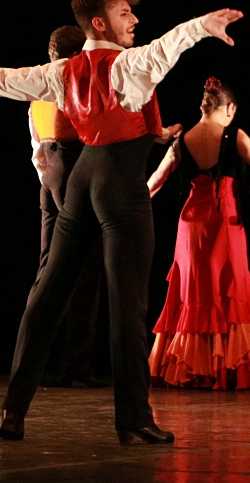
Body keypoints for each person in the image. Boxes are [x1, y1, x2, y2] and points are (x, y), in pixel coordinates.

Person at [0, 0, 243, 445]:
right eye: (125, 13)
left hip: (83, 180)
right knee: (128, 306)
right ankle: (133, 419)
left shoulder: (62, 71)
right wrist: (205, 26)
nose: (135, 21)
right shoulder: (129, 63)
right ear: (101, 22)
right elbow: (169, 45)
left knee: (46, 294)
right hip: (120, 187)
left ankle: (13, 411)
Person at [29, 25, 181, 389]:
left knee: (48, 270)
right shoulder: (76, 81)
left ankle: (43, 364)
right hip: (78, 168)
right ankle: (74, 366)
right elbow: (97, 131)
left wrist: (47, 179)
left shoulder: (39, 91)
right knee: (86, 272)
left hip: (48, 175)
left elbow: (35, 145)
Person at [147, 77, 250, 390]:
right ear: (230, 108)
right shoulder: (234, 136)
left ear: (203, 106)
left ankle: (192, 368)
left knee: (195, 293)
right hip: (226, 223)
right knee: (228, 291)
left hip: (190, 227)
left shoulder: (181, 141)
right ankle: (227, 368)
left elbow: (153, 184)